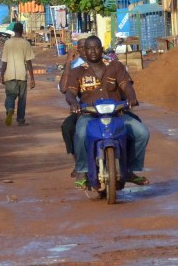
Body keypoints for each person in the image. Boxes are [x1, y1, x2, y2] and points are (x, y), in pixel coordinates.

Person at [63, 36, 149, 187]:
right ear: (85, 51)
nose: (93, 51)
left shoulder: (115, 66)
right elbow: (70, 92)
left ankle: (129, 169)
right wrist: (74, 103)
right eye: (89, 48)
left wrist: (132, 97)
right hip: (90, 114)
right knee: (81, 134)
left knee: (142, 132)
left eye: (96, 47)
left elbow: (126, 85)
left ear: (102, 49)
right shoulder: (77, 71)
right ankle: (82, 170)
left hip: (117, 113)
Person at [0, 22, 36, 126]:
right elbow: (29, 62)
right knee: (22, 99)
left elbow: (4, 61)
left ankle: (10, 109)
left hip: (9, 75)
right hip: (22, 75)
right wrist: (32, 78)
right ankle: (20, 120)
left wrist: (1, 75)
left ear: (14, 31)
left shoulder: (7, 43)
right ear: (22, 30)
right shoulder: (26, 43)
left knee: (10, 96)